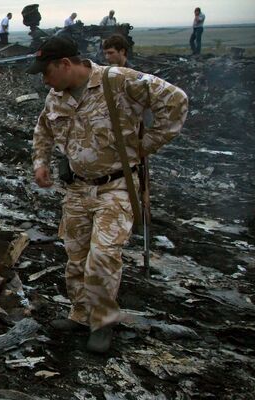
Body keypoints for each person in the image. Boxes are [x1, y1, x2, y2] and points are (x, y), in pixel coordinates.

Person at [27, 37, 188, 353]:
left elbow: (176, 101)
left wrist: (145, 145)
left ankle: (102, 322)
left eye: (47, 72)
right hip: (76, 188)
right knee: (76, 256)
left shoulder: (118, 80)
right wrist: (40, 162)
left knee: (102, 257)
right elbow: (43, 129)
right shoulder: (55, 96)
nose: (44, 79)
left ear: (65, 64)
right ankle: (80, 314)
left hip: (116, 186)